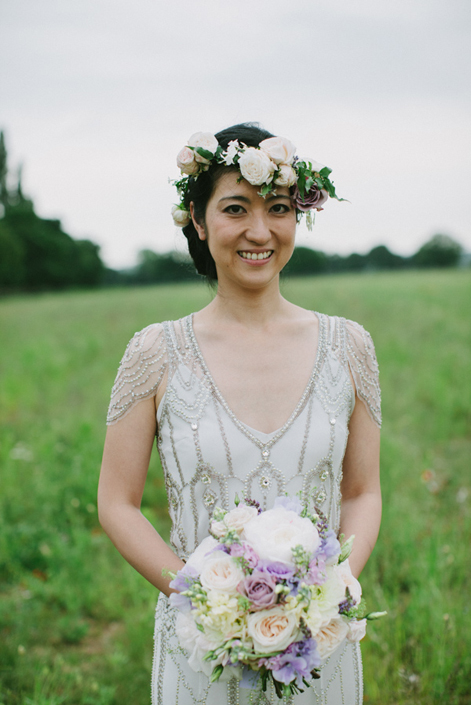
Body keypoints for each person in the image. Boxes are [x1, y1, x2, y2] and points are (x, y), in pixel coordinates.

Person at [98, 123, 382, 705]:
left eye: (278, 208)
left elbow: (362, 491)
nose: (260, 231)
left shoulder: (350, 346)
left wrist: (325, 591)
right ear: (199, 223)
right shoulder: (156, 353)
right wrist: (207, 600)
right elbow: (116, 503)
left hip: (319, 647)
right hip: (199, 648)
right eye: (235, 209)